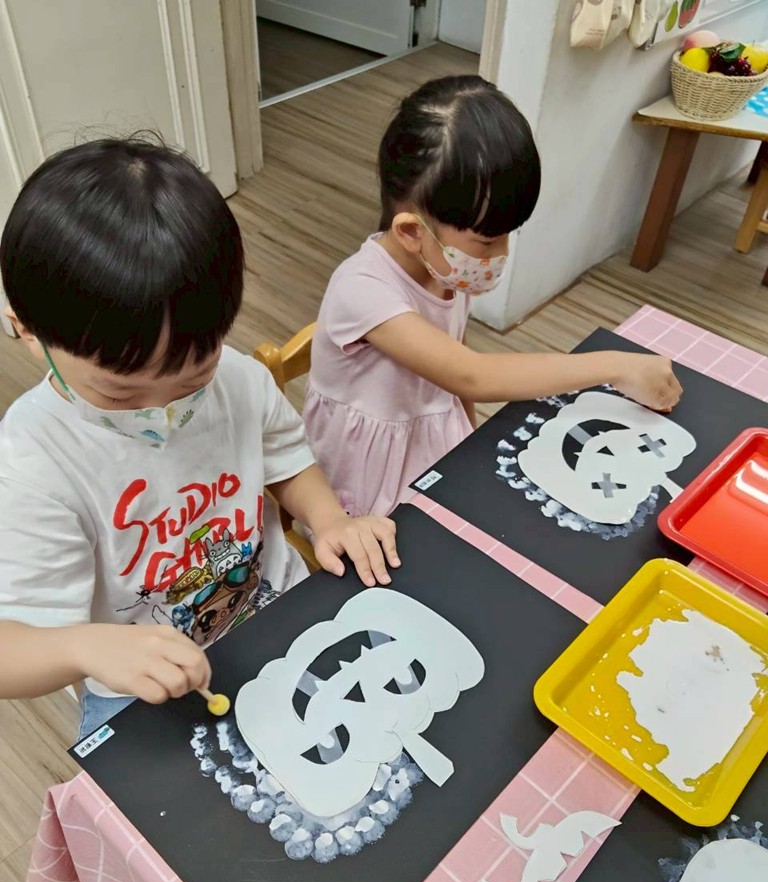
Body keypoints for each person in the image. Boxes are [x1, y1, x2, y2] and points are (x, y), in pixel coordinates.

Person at [0, 136, 398, 739]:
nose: (163, 409)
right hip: (142, 688)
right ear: (28, 331)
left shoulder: (239, 379)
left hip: (275, 609)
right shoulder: (32, 464)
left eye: (193, 377)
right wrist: (85, 647)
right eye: (120, 394)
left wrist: (329, 519)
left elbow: (285, 458)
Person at [304, 75, 682, 517]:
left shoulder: (443, 266)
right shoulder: (362, 289)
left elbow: (457, 369)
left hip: (431, 435)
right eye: (487, 241)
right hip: (365, 485)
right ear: (410, 231)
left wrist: (469, 439)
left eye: (507, 235)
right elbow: (472, 376)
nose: (501, 254)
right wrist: (616, 365)